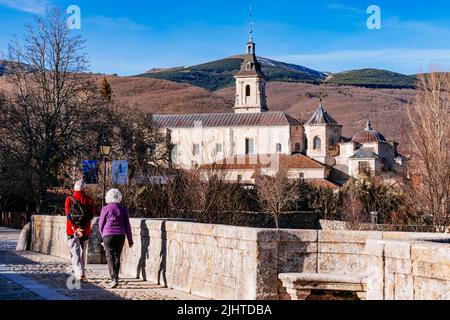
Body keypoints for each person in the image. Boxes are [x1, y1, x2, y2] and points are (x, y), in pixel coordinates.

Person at [98, 188, 133, 288]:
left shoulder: (105, 209)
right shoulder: (123, 209)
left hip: (108, 235)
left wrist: (103, 235)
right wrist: (130, 240)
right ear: (119, 197)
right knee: (117, 256)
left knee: (110, 256)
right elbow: (127, 226)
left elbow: (101, 224)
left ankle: (114, 278)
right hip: (121, 235)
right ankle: (116, 277)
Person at [65, 180, 97, 282]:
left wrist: (75, 227)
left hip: (72, 229)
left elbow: (68, 215)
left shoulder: (69, 199)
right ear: (84, 188)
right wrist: (82, 226)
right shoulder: (90, 200)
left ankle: (79, 273)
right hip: (85, 229)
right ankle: (82, 272)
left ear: (75, 188)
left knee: (75, 252)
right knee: (82, 252)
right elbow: (92, 215)